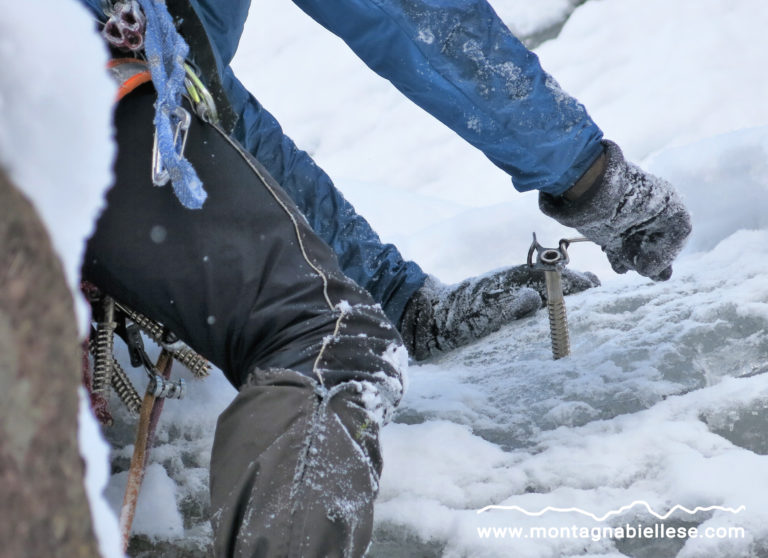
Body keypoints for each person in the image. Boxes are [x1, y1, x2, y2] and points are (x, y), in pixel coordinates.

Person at [78, 0, 692, 556]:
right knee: (333, 352)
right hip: (61, 105)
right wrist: (587, 177)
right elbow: (406, 14)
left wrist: (389, 288)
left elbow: (209, 97)